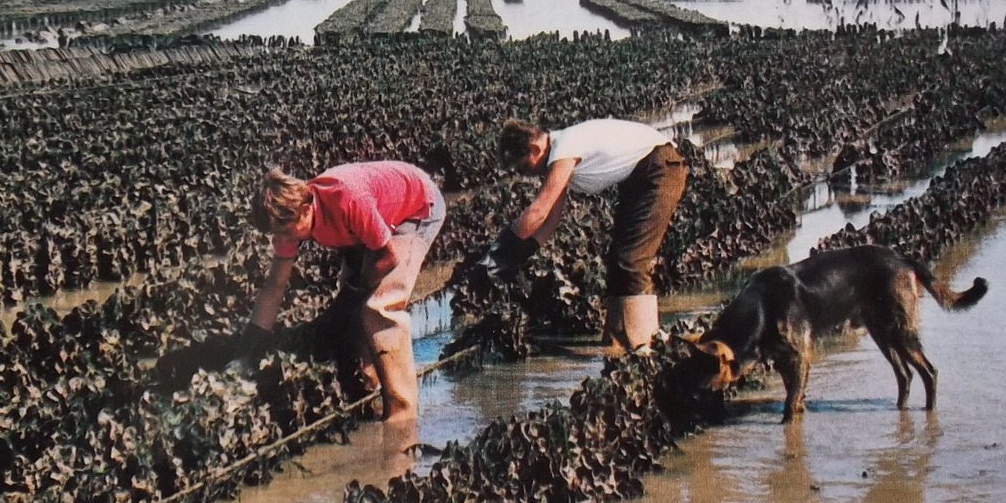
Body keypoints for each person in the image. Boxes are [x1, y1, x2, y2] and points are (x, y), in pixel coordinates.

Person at [237, 161, 444, 423]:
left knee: (378, 307)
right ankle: (370, 387)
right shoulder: (286, 223)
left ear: (304, 209)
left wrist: (356, 293)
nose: (284, 238)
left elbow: (387, 258)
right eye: (277, 233)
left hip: (417, 208)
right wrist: (248, 346)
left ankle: (401, 415)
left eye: (286, 231)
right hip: (370, 223)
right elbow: (275, 286)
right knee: (352, 308)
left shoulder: (346, 198)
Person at [483, 118, 687, 351]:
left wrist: (498, 255)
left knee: (630, 260)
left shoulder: (564, 150)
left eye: (523, 167)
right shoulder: (558, 154)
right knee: (617, 259)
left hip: (660, 169)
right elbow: (551, 220)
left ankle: (643, 345)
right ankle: (617, 340)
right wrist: (521, 253)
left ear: (533, 148)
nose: (526, 174)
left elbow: (539, 211)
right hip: (638, 178)